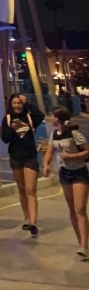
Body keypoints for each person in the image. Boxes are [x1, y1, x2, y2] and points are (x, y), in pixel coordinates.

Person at [43, 106, 89, 258]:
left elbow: (87, 151)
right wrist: (46, 165)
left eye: (52, 115)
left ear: (58, 118)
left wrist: (72, 157)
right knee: (72, 209)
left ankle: (84, 244)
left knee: (79, 208)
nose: (50, 118)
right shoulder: (54, 135)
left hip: (79, 172)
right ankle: (81, 243)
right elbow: (50, 151)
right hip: (65, 173)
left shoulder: (74, 133)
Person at [1, 93, 44, 235]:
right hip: (16, 157)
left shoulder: (30, 117)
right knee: (21, 188)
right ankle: (26, 217)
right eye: (15, 103)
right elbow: (5, 139)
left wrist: (28, 104)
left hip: (30, 156)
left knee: (31, 189)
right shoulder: (7, 119)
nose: (17, 106)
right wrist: (13, 129)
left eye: (19, 103)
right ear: (11, 105)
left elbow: (41, 115)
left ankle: (33, 222)